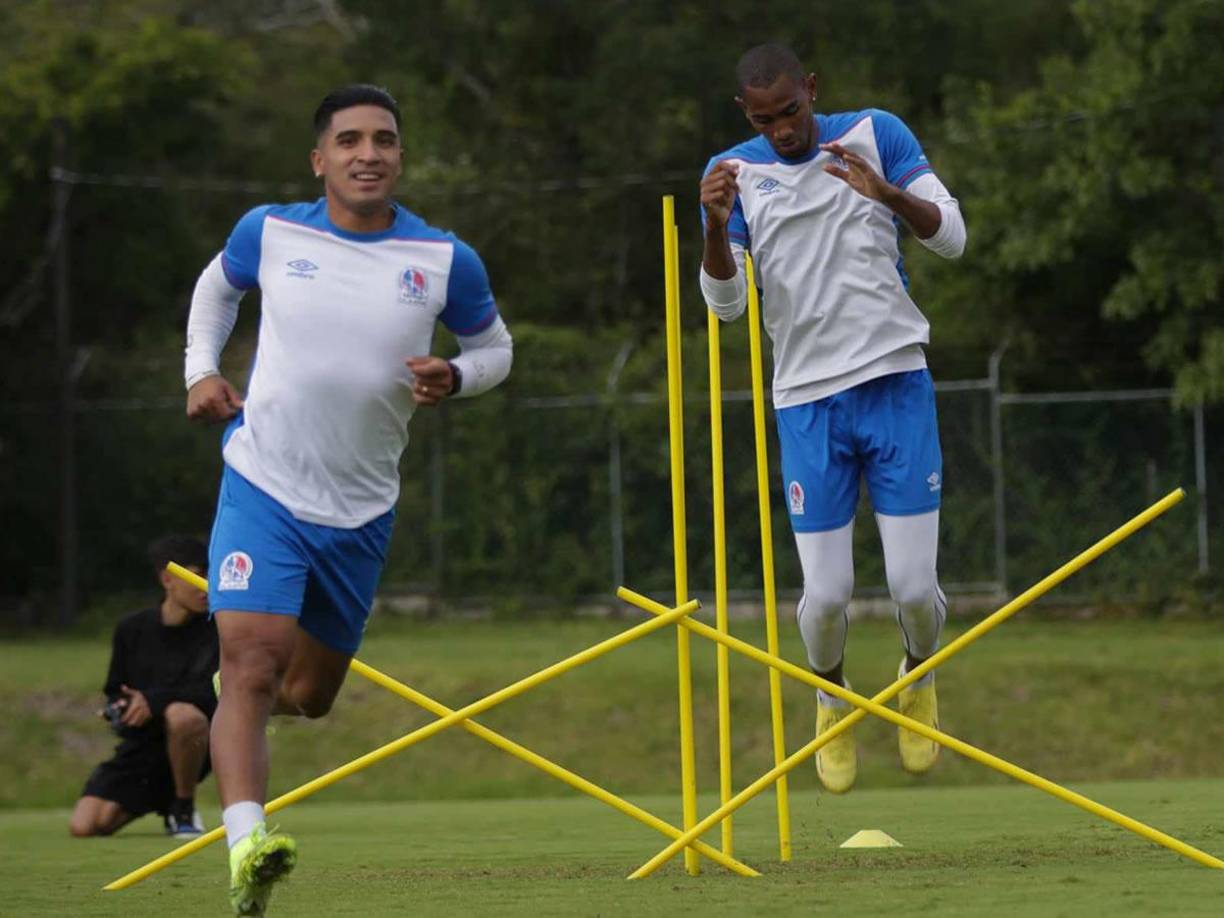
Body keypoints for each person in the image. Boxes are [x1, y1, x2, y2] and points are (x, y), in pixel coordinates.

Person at [183, 84, 513, 915]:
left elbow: (496, 348)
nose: (369, 153)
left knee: (308, 696)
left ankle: (240, 708)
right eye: (351, 140)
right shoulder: (269, 230)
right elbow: (215, 288)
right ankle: (247, 848)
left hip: (362, 511)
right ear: (319, 158)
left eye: (385, 140)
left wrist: (458, 375)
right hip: (263, 482)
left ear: (401, 156)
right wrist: (201, 369)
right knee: (250, 666)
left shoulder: (444, 259)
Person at [699, 44, 966, 795]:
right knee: (826, 597)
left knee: (914, 587)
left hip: (896, 383)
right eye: (765, 119)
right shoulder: (732, 174)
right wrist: (717, 228)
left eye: (791, 110)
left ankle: (918, 676)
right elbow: (727, 309)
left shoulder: (878, 133)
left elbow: (952, 235)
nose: (783, 129)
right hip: (807, 402)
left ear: (811, 90)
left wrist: (885, 194)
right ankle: (832, 697)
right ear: (746, 116)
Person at [70, 535, 218, 839]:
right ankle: (167, 801)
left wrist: (154, 700)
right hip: (144, 747)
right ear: (168, 579)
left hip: (198, 743)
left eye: (212, 574)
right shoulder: (131, 629)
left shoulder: (218, 628)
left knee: (183, 715)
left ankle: (183, 808)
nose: (208, 584)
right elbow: (116, 689)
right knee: (86, 826)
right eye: (199, 575)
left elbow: (215, 693)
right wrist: (119, 709)